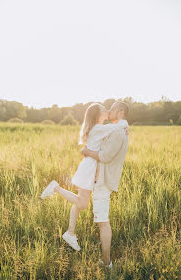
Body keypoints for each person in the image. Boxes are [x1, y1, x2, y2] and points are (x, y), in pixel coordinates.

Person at [40, 102, 128, 255]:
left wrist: (86, 150)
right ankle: (56, 188)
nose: (107, 110)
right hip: (89, 168)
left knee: (81, 202)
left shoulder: (97, 128)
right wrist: (124, 124)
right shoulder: (98, 128)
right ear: (97, 115)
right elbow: (115, 128)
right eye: (104, 109)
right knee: (82, 203)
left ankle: (70, 233)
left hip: (90, 166)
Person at [81, 101, 130, 267]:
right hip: (100, 178)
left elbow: (106, 156)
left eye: (113, 108)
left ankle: (106, 261)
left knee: (102, 221)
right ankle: (105, 259)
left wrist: (87, 152)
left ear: (121, 111)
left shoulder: (119, 130)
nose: (109, 110)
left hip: (103, 181)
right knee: (101, 220)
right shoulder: (118, 128)